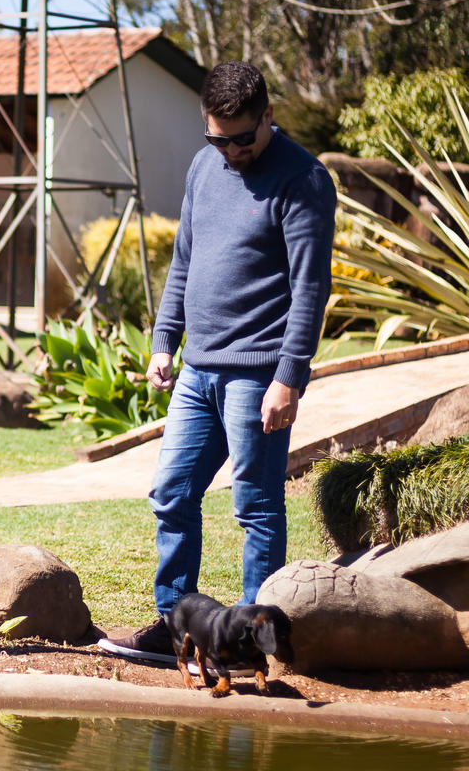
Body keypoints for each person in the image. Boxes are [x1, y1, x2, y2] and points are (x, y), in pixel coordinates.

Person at [99, 60, 336, 663]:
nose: (230, 150)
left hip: (257, 373)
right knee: (172, 491)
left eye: (242, 138)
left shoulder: (305, 179)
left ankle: (253, 642)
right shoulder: (204, 166)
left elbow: (310, 290)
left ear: (269, 117)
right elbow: (184, 261)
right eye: (218, 137)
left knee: (254, 507)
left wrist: (289, 377)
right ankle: (175, 623)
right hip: (198, 370)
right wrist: (162, 341)